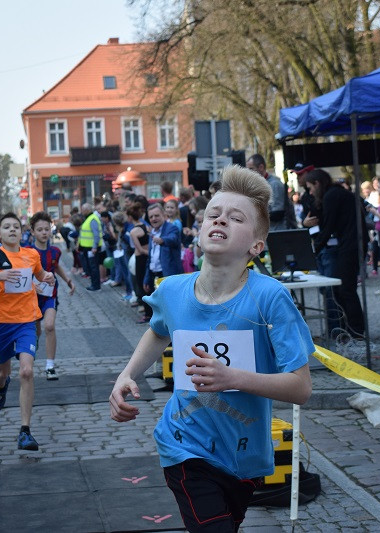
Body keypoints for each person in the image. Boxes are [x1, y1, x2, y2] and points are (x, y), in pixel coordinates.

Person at [109, 164, 313, 532]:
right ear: (201, 228)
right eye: (213, 214)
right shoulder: (172, 289)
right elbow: (158, 331)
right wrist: (127, 374)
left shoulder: (270, 298)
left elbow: (301, 388)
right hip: (184, 445)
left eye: (236, 218)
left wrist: (233, 378)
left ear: (256, 245)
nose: (220, 220)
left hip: (244, 456)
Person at [0, 212, 55, 451]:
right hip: (1, 324)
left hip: (27, 321)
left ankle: (25, 431)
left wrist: (47, 277)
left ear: (21, 231)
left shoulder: (31, 254)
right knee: (2, 372)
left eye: (16, 226)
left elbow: (40, 276)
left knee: (26, 371)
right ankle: (1, 386)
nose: (12, 230)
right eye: (6, 227)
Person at [305, 169, 366, 337]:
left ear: (317, 183)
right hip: (351, 243)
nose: (310, 192)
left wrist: (314, 250)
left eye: (310, 188)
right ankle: (352, 328)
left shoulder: (332, 195)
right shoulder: (335, 193)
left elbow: (328, 227)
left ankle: (356, 330)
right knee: (342, 289)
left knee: (346, 289)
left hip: (351, 244)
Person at [28, 211, 75, 380]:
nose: (44, 233)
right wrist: (31, 285)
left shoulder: (55, 251)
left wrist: (68, 280)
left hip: (50, 296)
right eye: (39, 230)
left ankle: (50, 366)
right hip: (30, 298)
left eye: (46, 229)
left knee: (49, 326)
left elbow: (56, 266)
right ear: (32, 232)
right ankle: (33, 343)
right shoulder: (27, 252)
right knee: (36, 329)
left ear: (51, 230)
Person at [140, 203, 182, 324]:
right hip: (154, 273)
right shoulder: (152, 232)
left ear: (164, 215)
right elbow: (150, 257)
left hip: (168, 274)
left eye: (157, 215)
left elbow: (173, 239)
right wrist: (146, 277)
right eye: (151, 217)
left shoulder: (171, 228)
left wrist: (162, 240)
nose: (154, 219)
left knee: (169, 306)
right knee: (156, 305)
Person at [246, 153, 294, 230]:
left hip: (278, 232)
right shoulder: (258, 185)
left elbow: (278, 213)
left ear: (261, 167)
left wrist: (255, 215)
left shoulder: (274, 184)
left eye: (251, 169)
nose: (248, 173)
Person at [128, 205, 148, 309]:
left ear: (130, 217)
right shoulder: (146, 226)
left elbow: (139, 249)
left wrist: (147, 253)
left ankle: (144, 305)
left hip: (140, 257)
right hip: (146, 256)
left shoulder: (133, 231)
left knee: (140, 281)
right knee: (146, 281)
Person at [79, 203, 103, 291]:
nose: (81, 211)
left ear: (87, 210)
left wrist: (94, 247)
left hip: (92, 248)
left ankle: (96, 286)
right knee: (91, 267)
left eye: (83, 209)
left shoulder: (92, 219)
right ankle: (93, 284)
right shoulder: (88, 218)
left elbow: (96, 235)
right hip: (88, 247)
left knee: (93, 267)